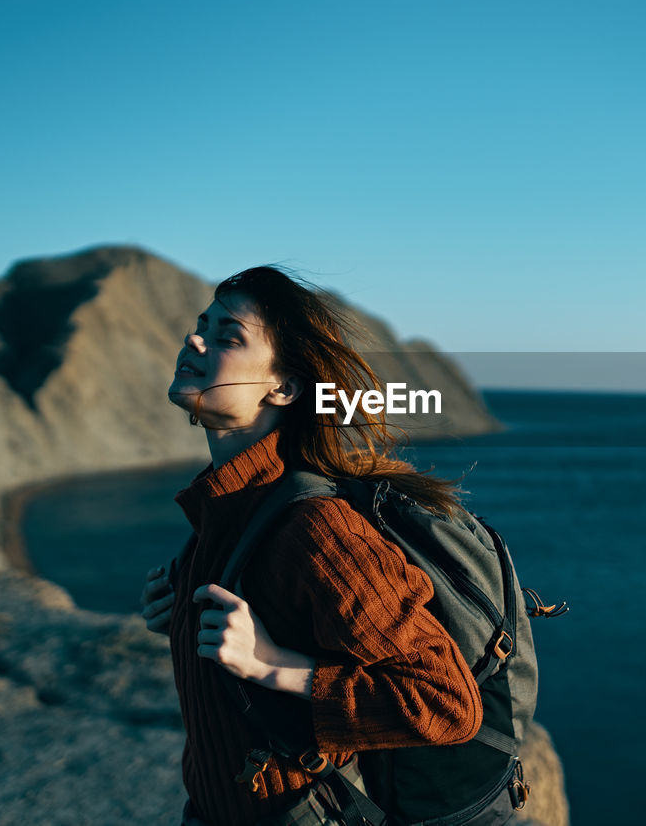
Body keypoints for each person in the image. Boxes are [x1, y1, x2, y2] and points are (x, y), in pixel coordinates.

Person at [139, 266, 482, 826]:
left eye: (228, 337)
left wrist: (275, 666)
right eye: (201, 326)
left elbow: (445, 703)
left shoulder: (318, 530)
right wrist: (179, 621)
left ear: (284, 387)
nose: (194, 340)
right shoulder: (225, 511)